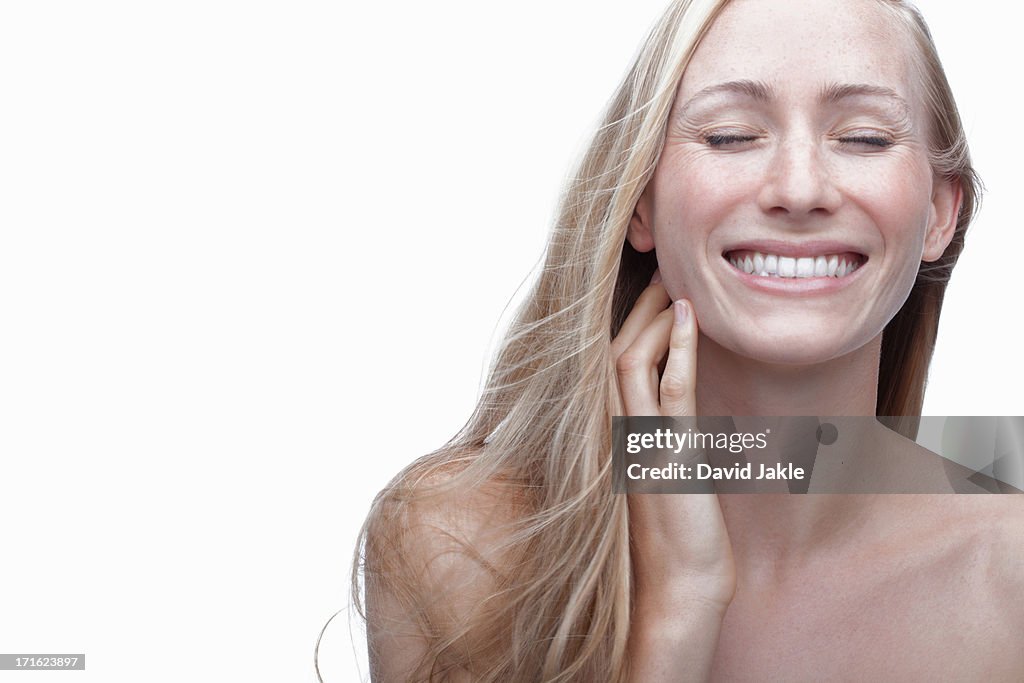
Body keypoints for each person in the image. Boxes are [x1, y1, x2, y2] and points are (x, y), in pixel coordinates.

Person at [352, 0, 1024, 680]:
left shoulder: (1009, 564)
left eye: (865, 139)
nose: (798, 188)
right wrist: (677, 616)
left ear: (941, 213)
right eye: (731, 136)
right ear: (640, 202)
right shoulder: (458, 545)